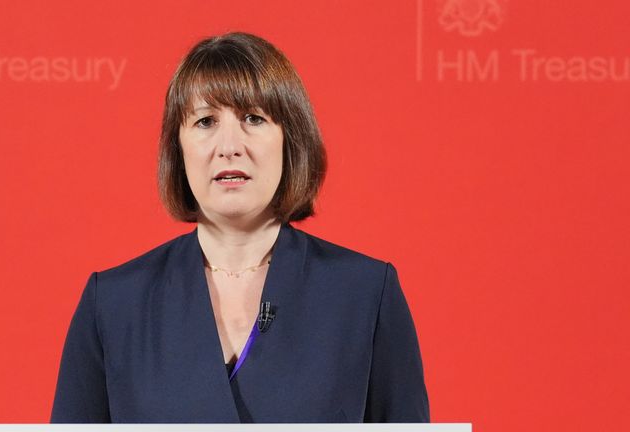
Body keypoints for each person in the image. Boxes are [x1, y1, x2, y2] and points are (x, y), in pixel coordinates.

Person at [51, 32, 429, 423]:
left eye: (253, 118)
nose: (229, 145)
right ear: (177, 149)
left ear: (289, 139)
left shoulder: (365, 293)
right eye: (205, 121)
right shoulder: (114, 304)